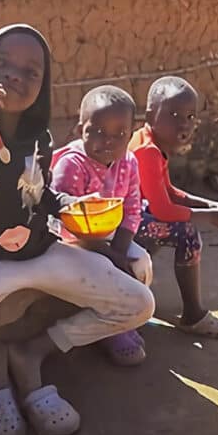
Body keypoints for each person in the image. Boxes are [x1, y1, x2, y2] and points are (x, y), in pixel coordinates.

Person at [0, 25, 155, 435]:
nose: (14, 76)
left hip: (37, 252)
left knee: (137, 303)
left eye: (31, 72)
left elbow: (39, 192)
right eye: (0, 64)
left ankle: (33, 355)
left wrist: (65, 204)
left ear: (43, 86)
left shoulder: (38, 139)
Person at [50, 85, 153, 366]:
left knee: (140, 261)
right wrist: (108, 256)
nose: (108, 141)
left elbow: (132, 210)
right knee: (103, 271)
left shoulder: (129, 162)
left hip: (109, 234)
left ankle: (126, 317)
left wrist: (119, 250)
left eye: (120, 134)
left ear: (130, 136)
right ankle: (106, 329)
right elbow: (64, 221)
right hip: (71, 241)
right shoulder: (71, 165)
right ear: (79, 128)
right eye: (97, 131)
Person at [130, 76, 218, 338]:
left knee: (161, 224)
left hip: (129, 219)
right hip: (120, 225)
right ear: (150, 114)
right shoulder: (147, 151)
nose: (184, 123)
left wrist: (208, 204)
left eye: (190, 116)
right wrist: (208, 216)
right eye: (174, 114)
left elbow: (167, 192)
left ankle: (134, 292)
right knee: (185, 233)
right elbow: (164, 208)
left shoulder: (152, 144)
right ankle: (193, 315)